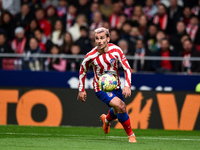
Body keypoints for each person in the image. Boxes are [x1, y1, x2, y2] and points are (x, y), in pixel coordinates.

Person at [77, 27, 137, 143]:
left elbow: (127, 68)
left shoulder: (116, 50)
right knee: (121, 106)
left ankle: (107, 120)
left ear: (108, 39)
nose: (99, 41)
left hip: (116, 86)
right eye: (97, 39)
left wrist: (127, 85)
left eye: (102, 38)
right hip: (101, 88)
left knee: (117, 110)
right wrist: (81, 89)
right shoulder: (91, 55)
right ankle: (131, 136)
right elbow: (82, 71)